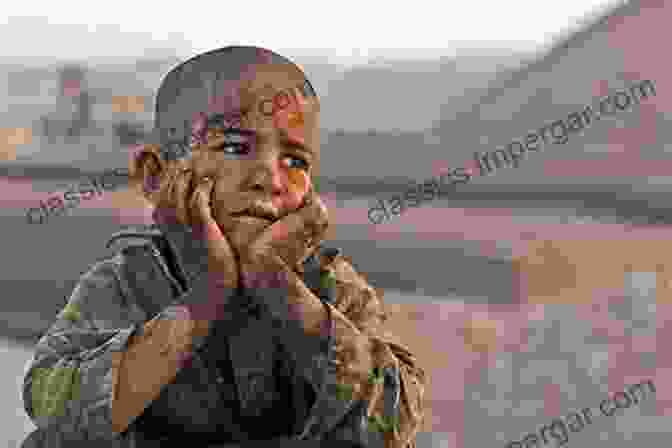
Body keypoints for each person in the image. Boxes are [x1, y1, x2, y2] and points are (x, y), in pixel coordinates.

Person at [21, 46, 426, 447]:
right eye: (234, 147)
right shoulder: (127, 281)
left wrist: (278, 285)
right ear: (157, 175)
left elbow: (396, 422)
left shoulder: (328, 284)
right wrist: (208, 295)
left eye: (296, 161)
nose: (270, 177)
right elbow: (54, 410)